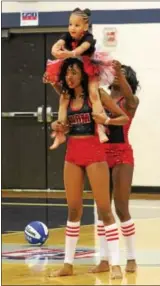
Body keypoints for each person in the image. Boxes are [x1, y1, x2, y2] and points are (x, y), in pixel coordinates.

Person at [48, 57, 129, 279]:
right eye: (67, 73)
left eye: (74, 72)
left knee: (104, 210)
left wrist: (107, 121)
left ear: (83, 74)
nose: (70, 77)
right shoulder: (65, 97)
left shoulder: (98, 95)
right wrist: (56, 125)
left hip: (94, 154)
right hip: (72, 155)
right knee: (73, 210)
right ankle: (67, 264)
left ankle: (114, 264)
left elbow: (124, 117)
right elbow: (61, 125)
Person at [90, 61, 140, 274]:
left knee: (121, 207)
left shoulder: (130, 101)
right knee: (102, 209)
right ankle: (103, 259)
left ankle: (131, 258)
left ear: (128, 80)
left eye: (121, 75)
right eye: (114, 75)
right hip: (101, 155)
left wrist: (119, 72)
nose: (117, 78)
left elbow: (129, 97)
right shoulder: (102, 97)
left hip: (122, 155)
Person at [45, 8, 115, 148]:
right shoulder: (67, 36)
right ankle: (60, 133)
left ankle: (100, 127)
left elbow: (80, 50)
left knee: (94, 93)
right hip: (73, 64)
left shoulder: (88, 38)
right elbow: (55, 47)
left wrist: (69, 53)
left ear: (85, 26)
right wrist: (56, 50)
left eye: (77, 25)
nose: (72, 28)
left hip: (89, 66)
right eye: (70, 24)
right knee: (64, 97)